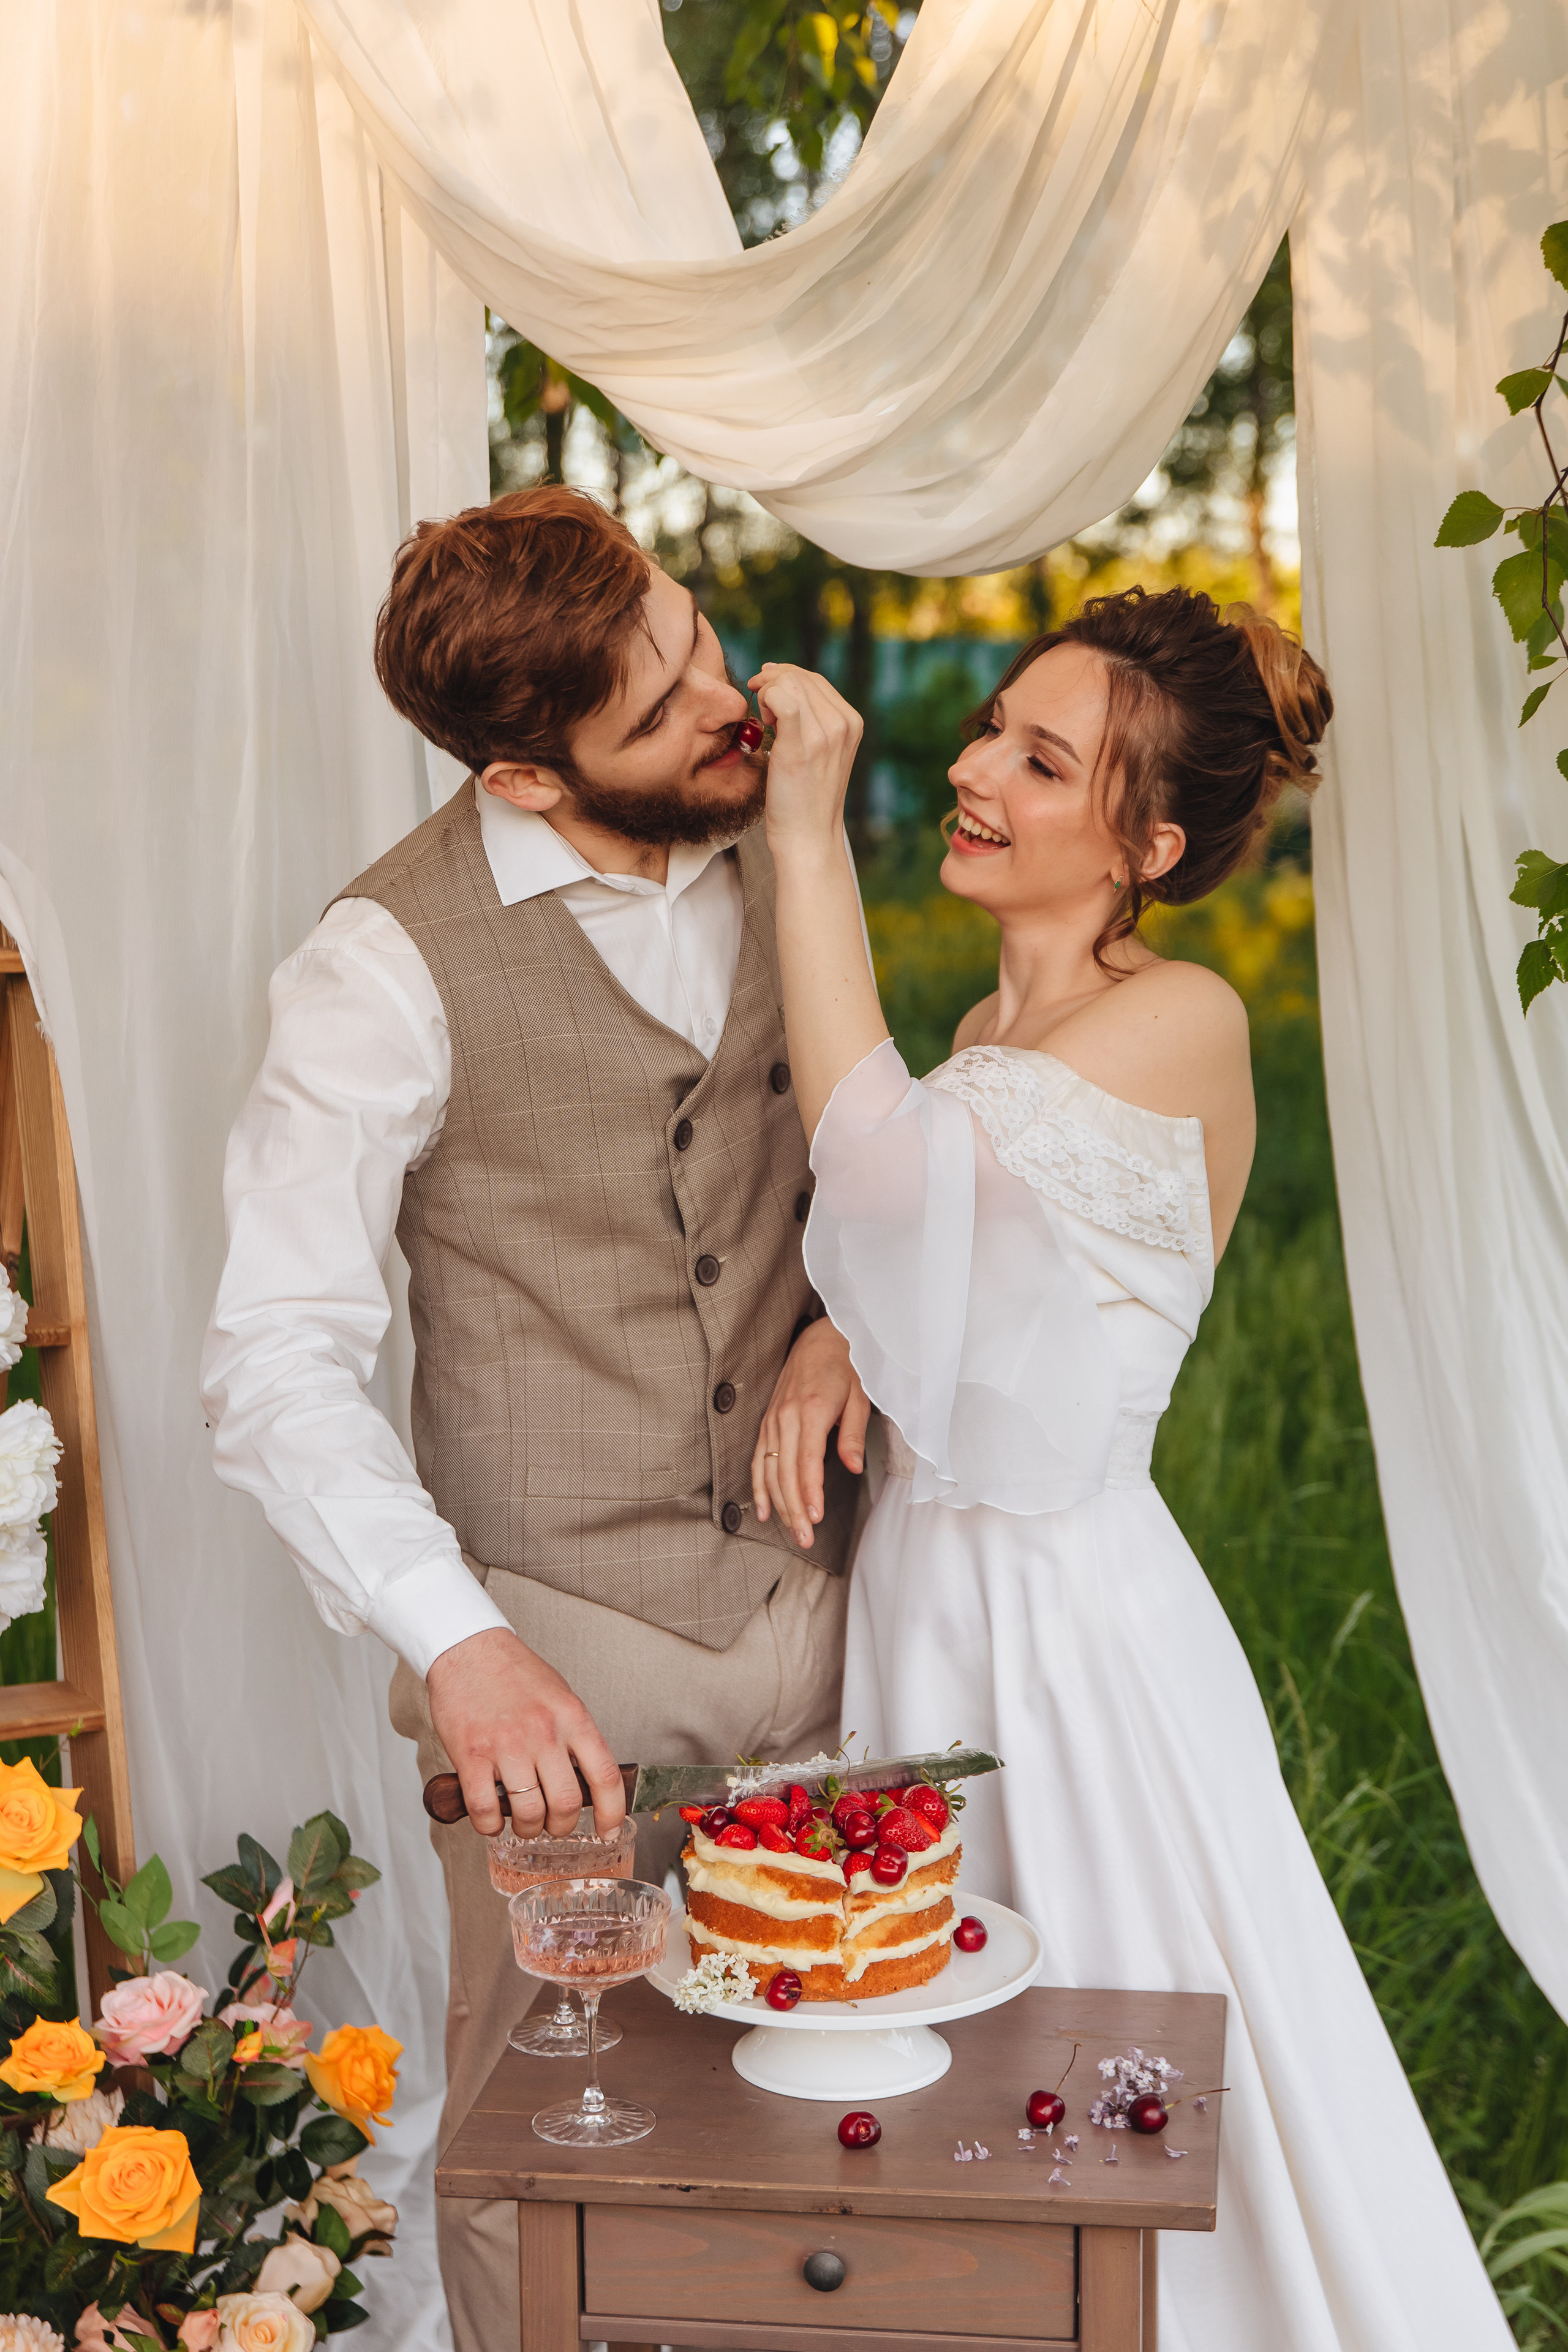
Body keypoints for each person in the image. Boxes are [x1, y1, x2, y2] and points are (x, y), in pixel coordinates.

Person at [749, 587, 1512, 2350]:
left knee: (1099, 2083)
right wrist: (833, 1331)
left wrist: (804, 832)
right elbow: (934, 1255)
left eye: (1042, 756)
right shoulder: (988, 1044)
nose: (975, 770)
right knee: (940, 2093)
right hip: (927, 1609)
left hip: (1068, 1641)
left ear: (1147, 843)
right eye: (991, 727)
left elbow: (885, 1182)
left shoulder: (1180, 1022)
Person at [201, 486, 869, 2352]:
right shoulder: (380, 967)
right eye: (657, 715)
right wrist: (465, 1650)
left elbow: (885, 1160)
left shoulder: (775, 837)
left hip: (825, 1609)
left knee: (835, 2120)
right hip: (556, 1663)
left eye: (699, 644)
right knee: (548, 2151)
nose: (725, 708)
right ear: (524, 777)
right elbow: (269, 1353)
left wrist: (853, 1334)